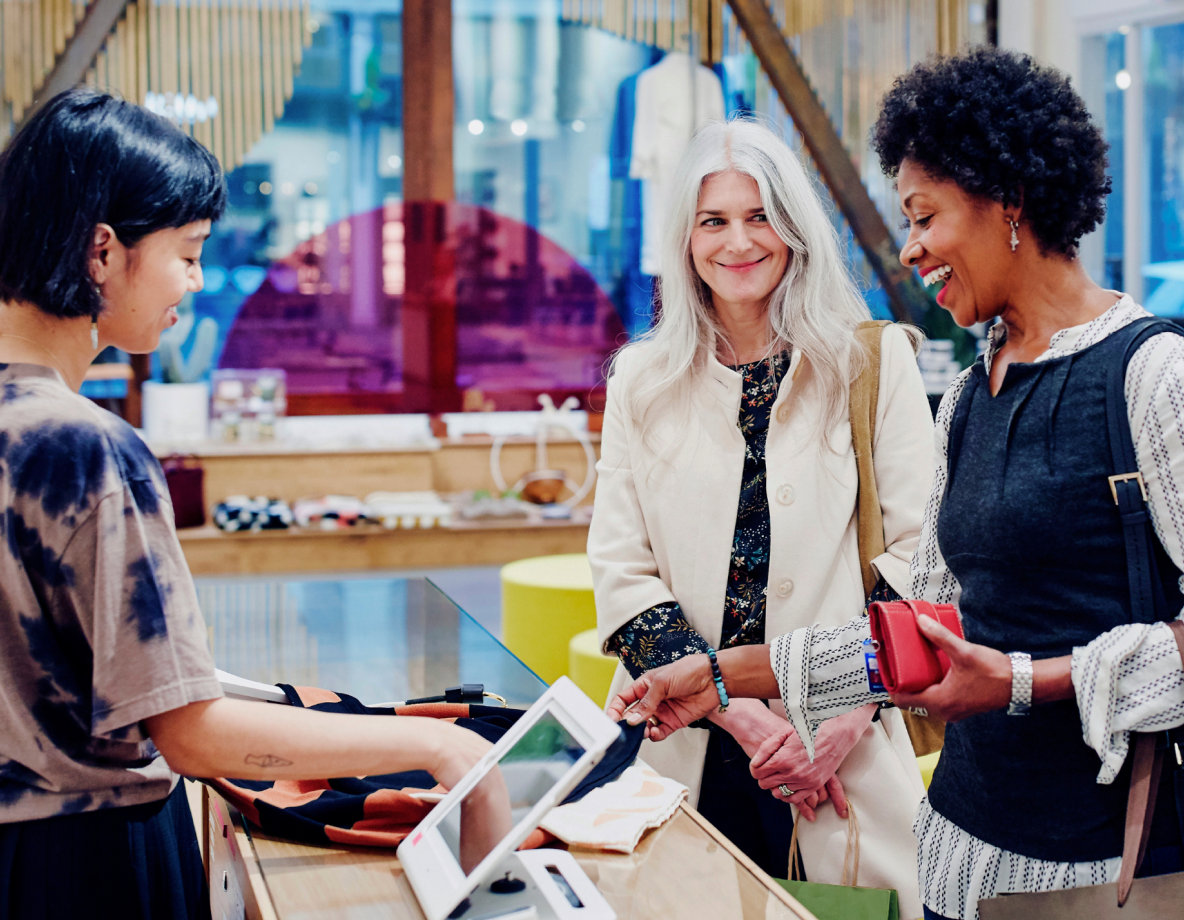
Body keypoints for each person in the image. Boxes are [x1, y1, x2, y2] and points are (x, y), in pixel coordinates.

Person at [607, 46, 1184, 920]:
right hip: (959, 855)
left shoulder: (1152, 376)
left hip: (1099, 866)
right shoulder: (970, 395)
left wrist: (1027, 681)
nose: (909, 247)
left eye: (923, 216)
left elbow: (973, 647)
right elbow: (917, 636)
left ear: (1011, 202)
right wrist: (723, 680)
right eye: (709, 221)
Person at [0, 88, 503, 919]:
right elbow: (191, 733)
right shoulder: (88, 449)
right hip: (83, 860)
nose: (195, 282)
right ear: (102, 253)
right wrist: (437, 744)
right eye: (188, 252)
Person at [587, 116, 933, 911]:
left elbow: (920, 560)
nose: (738, 241)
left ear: (795, 229)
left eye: (759, 215)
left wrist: (844, 712)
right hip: (684, 749)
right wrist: (737, 711)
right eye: (714, 220)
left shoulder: (870, 363)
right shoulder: (641, 381)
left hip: (837, 754)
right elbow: (621, 566)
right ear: (685, 238)